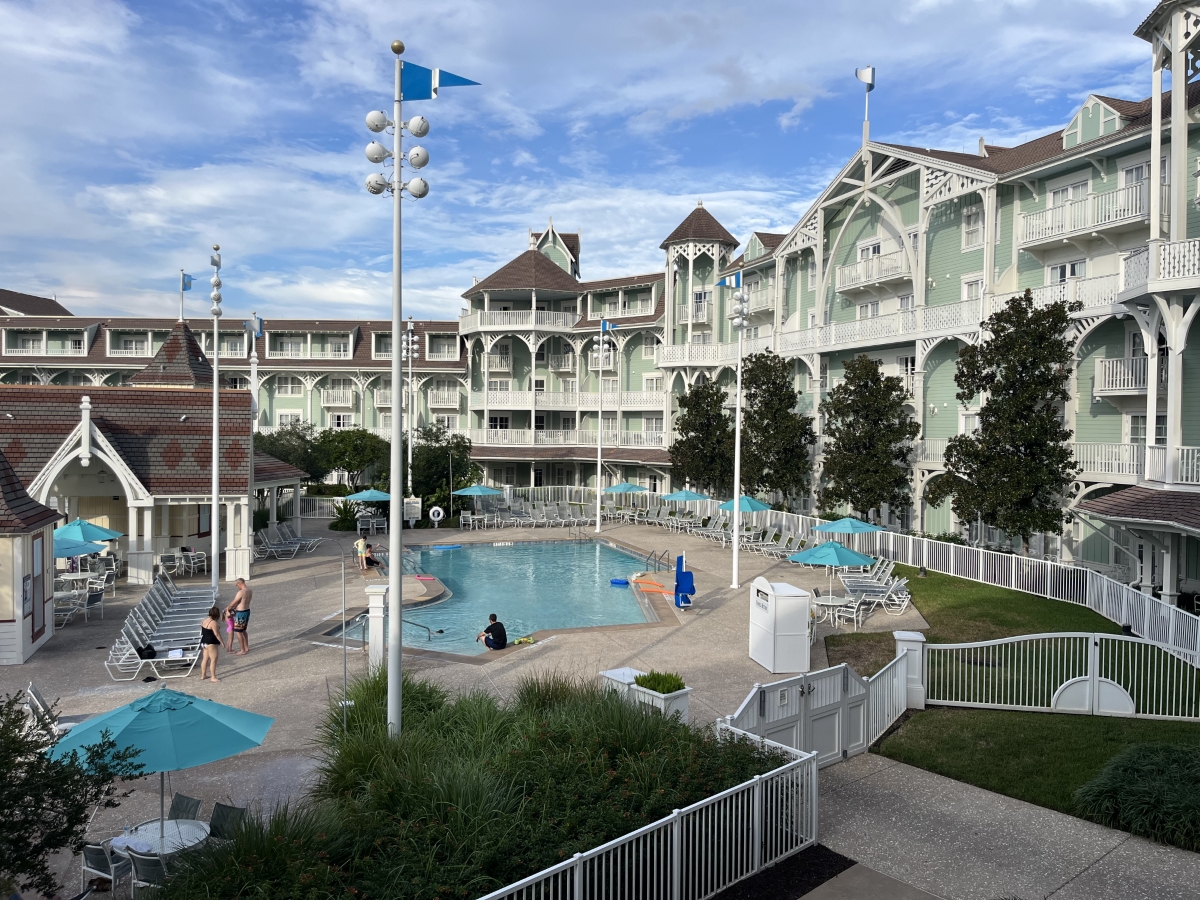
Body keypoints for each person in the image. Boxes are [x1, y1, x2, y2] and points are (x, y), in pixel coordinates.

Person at [224, 577, 253, 656]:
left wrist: (227, 609)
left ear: (239, 584)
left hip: (241, 612)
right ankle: (246, 647)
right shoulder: (250, 590)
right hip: (247, 610)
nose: (237, 586)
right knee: (243, 630)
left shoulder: (241, 592)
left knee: (238, 631)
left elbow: (233, 603)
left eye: (237, 585)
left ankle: (242, 650)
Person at [199, 606, 223, 682]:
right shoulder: (213, 623)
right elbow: (217, 634)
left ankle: (203, 675)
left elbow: (202, 629)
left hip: (204, 641)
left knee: (205, 659)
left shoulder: (204, 620)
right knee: (213, 659)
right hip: (211, 643)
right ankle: (213, 677)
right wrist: (222, 642)